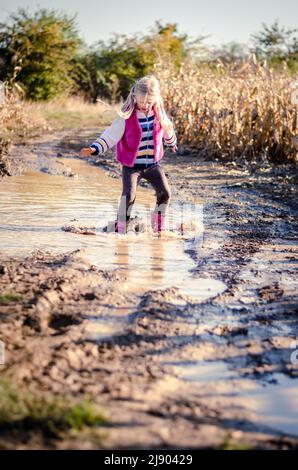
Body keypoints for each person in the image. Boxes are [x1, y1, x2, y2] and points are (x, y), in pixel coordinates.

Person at [79, 75, 178, 233]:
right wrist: (93, 149)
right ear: (134, 97)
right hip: (132, 167)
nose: (145, 106)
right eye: (142, 102)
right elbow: (110, 136)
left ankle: (159, 226)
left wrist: (172, 143)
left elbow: (167, 128)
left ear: (155, 99)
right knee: (129, 196)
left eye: (149, 102)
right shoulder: (126, 117)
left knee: (165, 193)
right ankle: (121, 227)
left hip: (152, 164)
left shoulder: (158, 112)